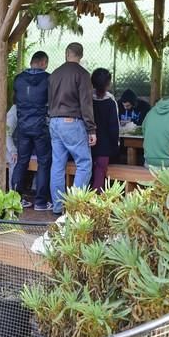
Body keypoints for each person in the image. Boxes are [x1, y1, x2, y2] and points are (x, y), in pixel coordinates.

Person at [47, 42, 96, 214]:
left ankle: (58, 206)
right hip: (71, 122)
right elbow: (86, 103)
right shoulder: (82, 74)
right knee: (84, 163)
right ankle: (74, 206)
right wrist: (91, 129)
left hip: (54, 122)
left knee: (57, 164)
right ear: (80, 55)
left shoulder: (54, 74)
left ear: (67, 53)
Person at [11, 51, 52, 211]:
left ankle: (15, 199)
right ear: (43, 63)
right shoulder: (48, 79)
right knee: (44, 162)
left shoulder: (18, 79)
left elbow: (16, 99)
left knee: (22, 161)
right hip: (40, 127)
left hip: (23, 127)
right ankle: (41, 202)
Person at [90, 68, 119, 193]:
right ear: (108, 83)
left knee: (88, 171)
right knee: (100, 172)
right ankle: (96, 199)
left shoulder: (87, 99)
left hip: (88, 143)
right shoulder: (111, 101)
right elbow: (114, 126)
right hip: (105, 147)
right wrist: (116, 144)